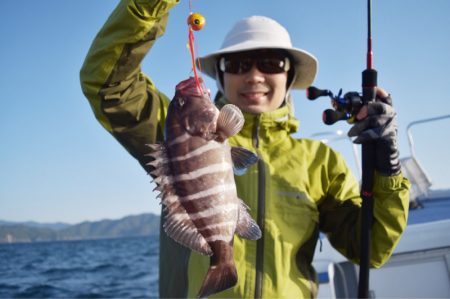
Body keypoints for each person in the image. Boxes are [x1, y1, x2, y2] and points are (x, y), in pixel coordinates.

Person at [80, 0, 410, 298]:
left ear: (289, 75)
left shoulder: (320, 163)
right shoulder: (175, 131)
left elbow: (374, 248)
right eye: (238, 65)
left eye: (270, 62)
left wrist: (388, 169)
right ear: (220, 77)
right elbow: (107, 83)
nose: (253, 76)